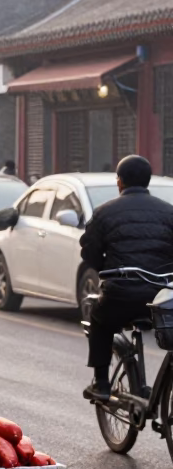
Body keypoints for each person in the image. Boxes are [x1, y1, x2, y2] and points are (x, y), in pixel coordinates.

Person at [81, 155, 173, 400]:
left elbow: (89, 252)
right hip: (161, 297)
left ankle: (101, 384)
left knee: (99, 321)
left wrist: (106, 269)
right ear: (148, 180)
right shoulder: (169, 212)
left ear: (119, 181)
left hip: (120, 294)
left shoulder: (104, 212)